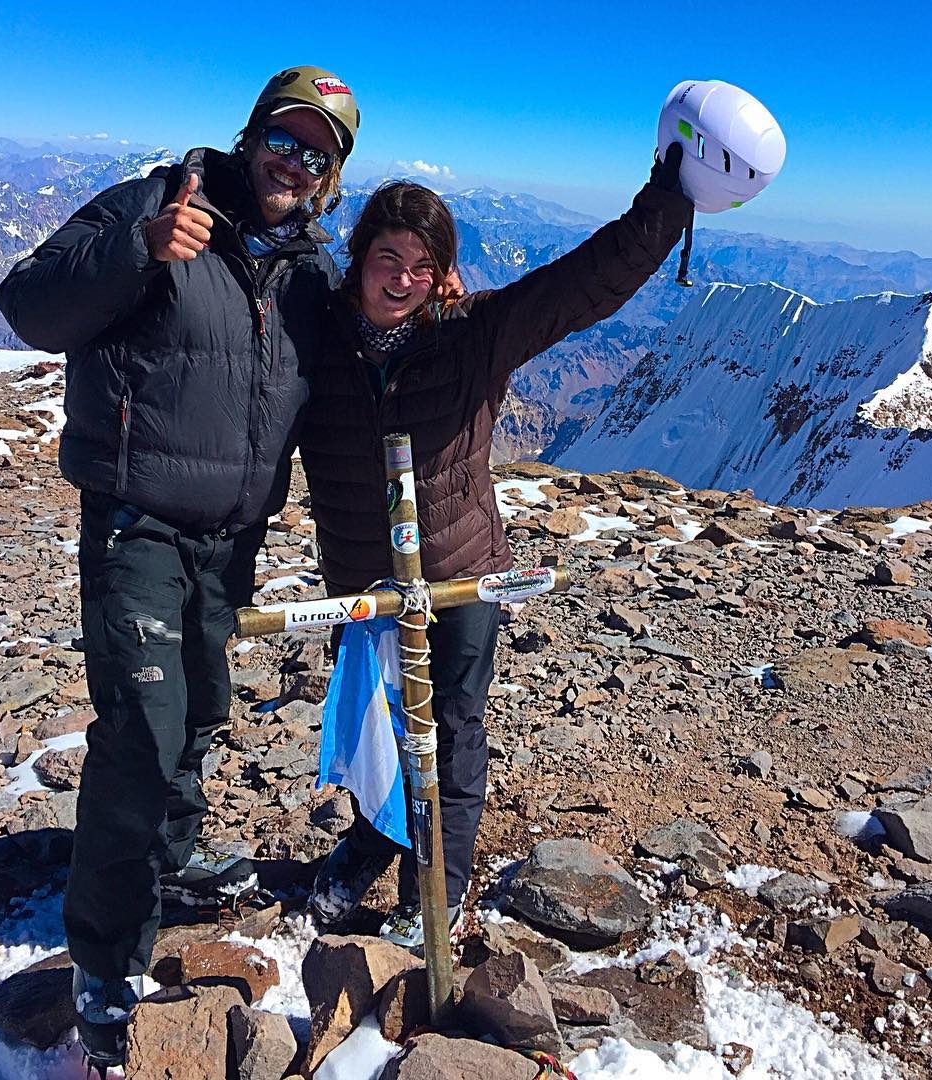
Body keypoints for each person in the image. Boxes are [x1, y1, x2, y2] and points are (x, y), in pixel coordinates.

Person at [0, 65, 359, 1071]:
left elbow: (358, 368)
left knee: (199, 708)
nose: (295, 161)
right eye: (283, 139)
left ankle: (175, 851)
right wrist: (139, 254)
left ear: (330, 177)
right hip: (137, 524)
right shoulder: (157, 205)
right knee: (142, 737)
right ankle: (105, 960)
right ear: (248, 136)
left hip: (232, 535)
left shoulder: (309, 272)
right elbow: (28, 303)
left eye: (317, 153)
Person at [301, 144, 692, 949]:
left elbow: (580, 287)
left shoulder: (473, 335)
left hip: (462, 580)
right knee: (377, 726)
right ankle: (373, 840)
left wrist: (668, 202)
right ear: (359, 260)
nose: (402, 278)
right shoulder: (313, 338)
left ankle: (433, 888)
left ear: (443, 272)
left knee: (451, 726)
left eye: (422, 263)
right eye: (387, 258)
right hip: (365, 584)